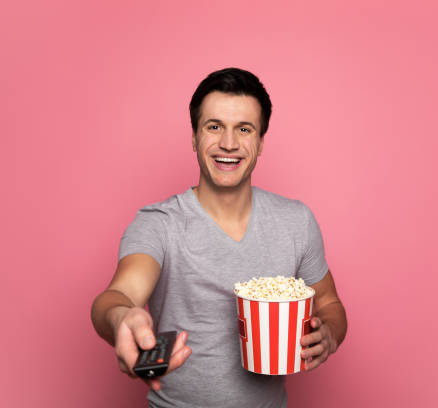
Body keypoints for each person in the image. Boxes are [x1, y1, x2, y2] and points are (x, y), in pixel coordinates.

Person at [91, 67, 347, 407]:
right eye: (214, 127)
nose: (229, 143)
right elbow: (118, 294)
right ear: (195, 137)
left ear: (260, 141)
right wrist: (121, 317)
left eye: (244, 129)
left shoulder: (296, 222)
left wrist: (328, 332)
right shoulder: (159, 223)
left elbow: (329, 304)